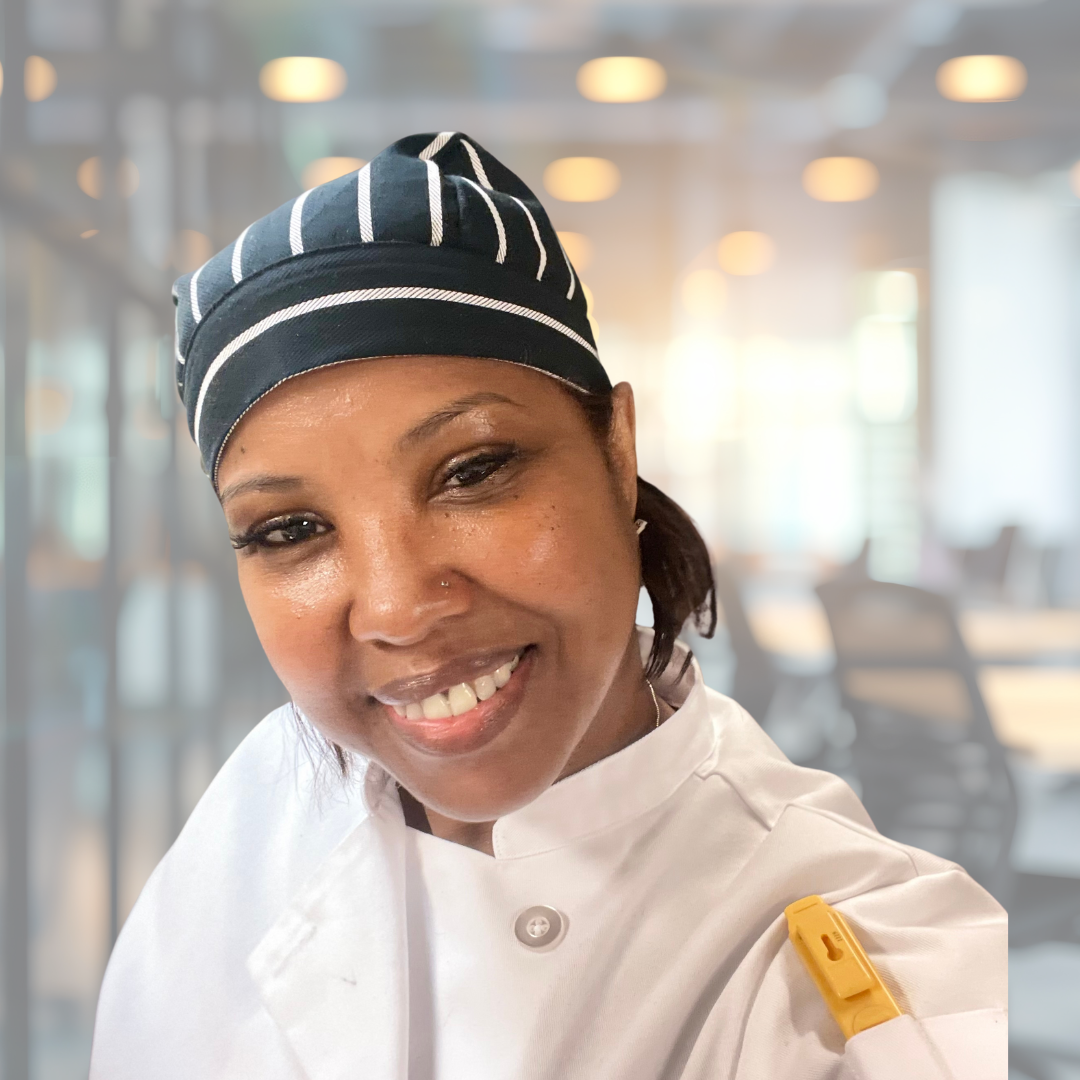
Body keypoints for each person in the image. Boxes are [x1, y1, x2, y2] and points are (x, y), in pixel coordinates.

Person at [89, 133, 1006, 1080]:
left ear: (617, 453)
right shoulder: (255, 812)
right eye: (289, 530)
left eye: (473, 471)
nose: (398, 609)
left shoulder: (878, 965)